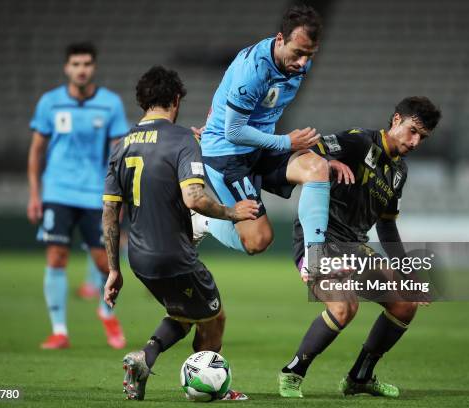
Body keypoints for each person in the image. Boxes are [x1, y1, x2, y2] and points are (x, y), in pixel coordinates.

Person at [102, 66, 259, 401]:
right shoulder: (181, 138)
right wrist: (233, 211)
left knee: (183, 312)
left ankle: (145, 358)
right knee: (214, 318)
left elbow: (110, 214)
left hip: (139, 259)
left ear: (142, 101)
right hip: (174, 254)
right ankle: (211, 389)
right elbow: (195, 198)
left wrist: (113, 269)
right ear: (176, 100)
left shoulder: (121, 146)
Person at [278, 96, 442, 398]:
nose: (416, 141)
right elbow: (304, 153)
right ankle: (293, 372)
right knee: (344, 307)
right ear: (396, 120)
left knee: (405, 303)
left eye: (423, 137)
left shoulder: (399, 172)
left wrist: (406, 272)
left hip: (355, 247)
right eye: (413, 130)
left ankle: (360, 378)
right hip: (319, 242)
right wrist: (327, 161)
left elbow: (387, 225)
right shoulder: (358, 141)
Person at [195, 4, 349, 260]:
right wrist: (286, 141)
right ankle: (202, 222)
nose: (302, 63)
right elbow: (233, 131)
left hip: (260, 147)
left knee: (317, 168)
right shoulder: (253, 71)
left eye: (309, 55)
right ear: (280, 40)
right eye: (298, 53)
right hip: (228, 155)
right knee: (259, 240)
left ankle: (316, 258)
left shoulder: (300, 64)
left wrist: (281, 143)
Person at [27, 42, 129, 350]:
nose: (81, 69)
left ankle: (105, 311)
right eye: (75, 64)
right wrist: (35, 194)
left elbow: (117, 156)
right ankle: (59, 331)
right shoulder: (50, 103)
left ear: (93, 67)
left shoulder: (110, 104)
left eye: (86, 63)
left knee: (104, 264)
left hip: (94, 195)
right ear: (67, 68)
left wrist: (117, 198)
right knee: (56, 256)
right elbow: (36, 151)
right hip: (57, 191)